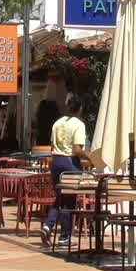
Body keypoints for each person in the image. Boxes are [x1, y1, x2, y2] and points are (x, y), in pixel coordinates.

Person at [43, 95, 89, 246]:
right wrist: (91, 158)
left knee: (59, 197)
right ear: (80, 108)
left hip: (56, 161)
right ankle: (64, 237)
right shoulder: (79, 125)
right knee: (69, 201)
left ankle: (48, 225)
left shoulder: (57, 123)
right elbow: (77, 149)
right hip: (70, 163)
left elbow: (51, 147)